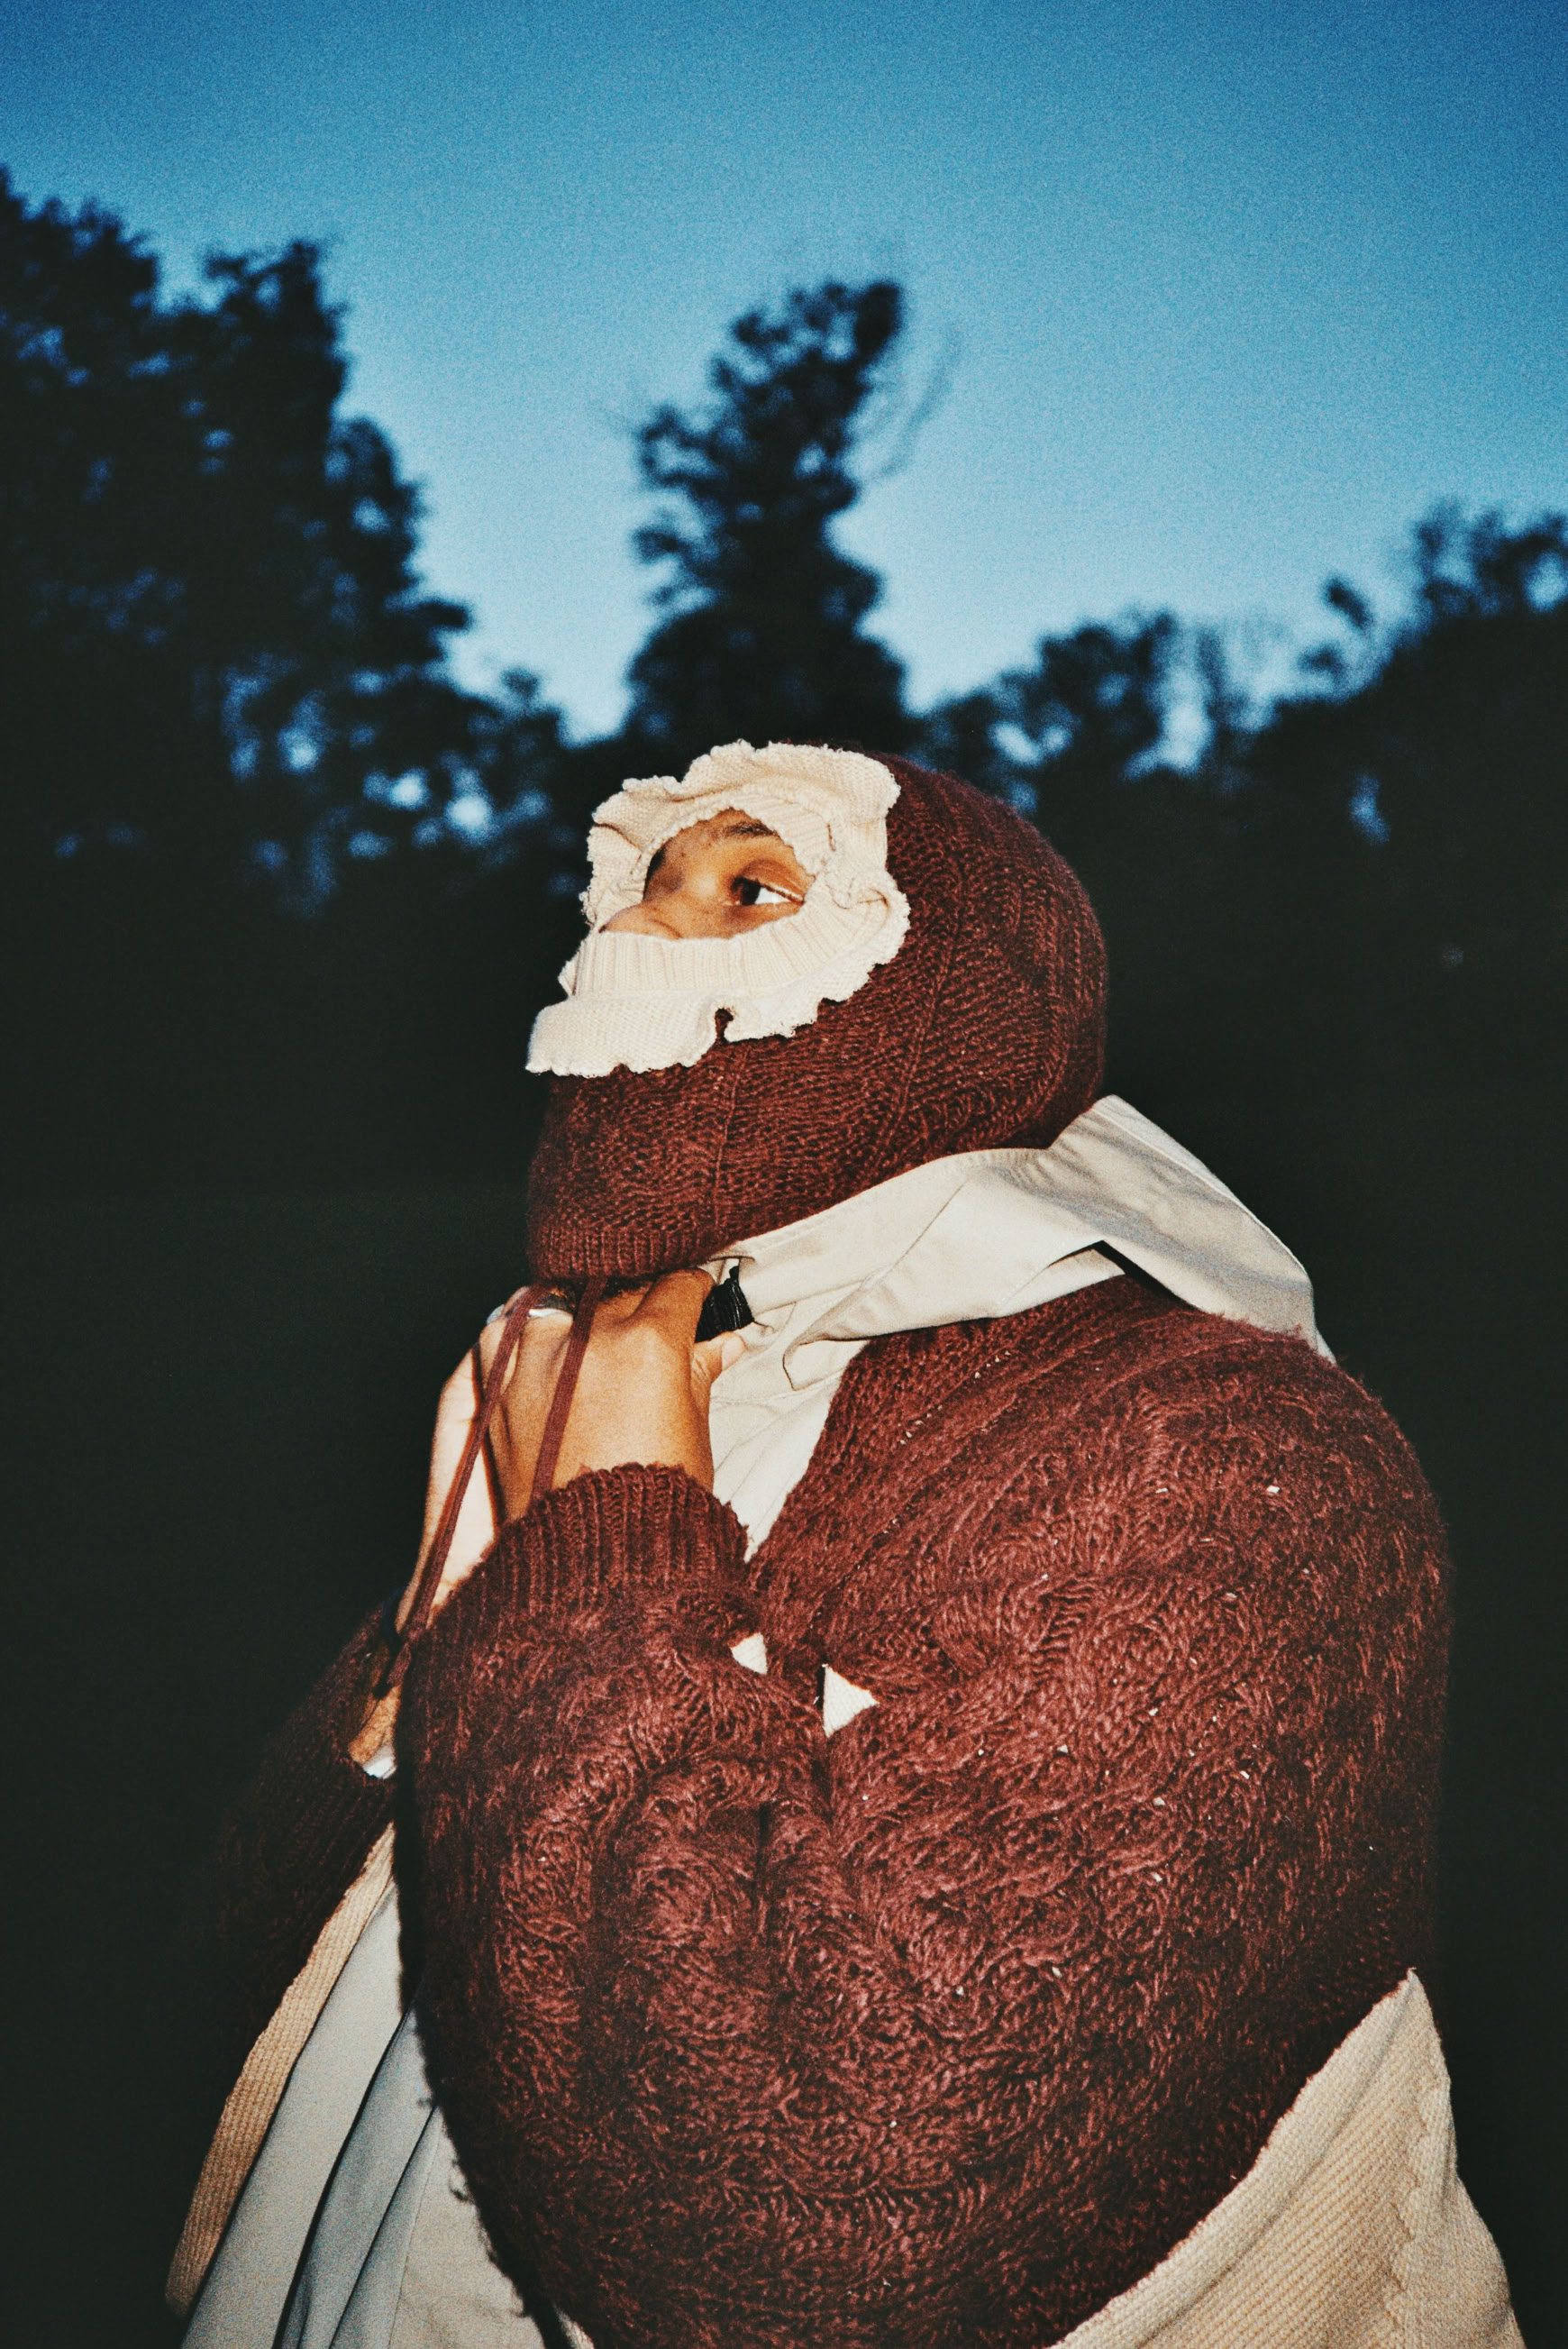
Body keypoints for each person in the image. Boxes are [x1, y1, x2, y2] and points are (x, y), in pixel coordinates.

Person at [168, 741, 1520, 2348]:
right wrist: (426, 1651)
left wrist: (598, 1573)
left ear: (954, 986)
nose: (642, 938)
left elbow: (810, 2219)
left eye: (754, 887)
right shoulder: (617, 1388)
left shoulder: (1222, 1452)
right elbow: (231, 2066)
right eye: (637, 891)